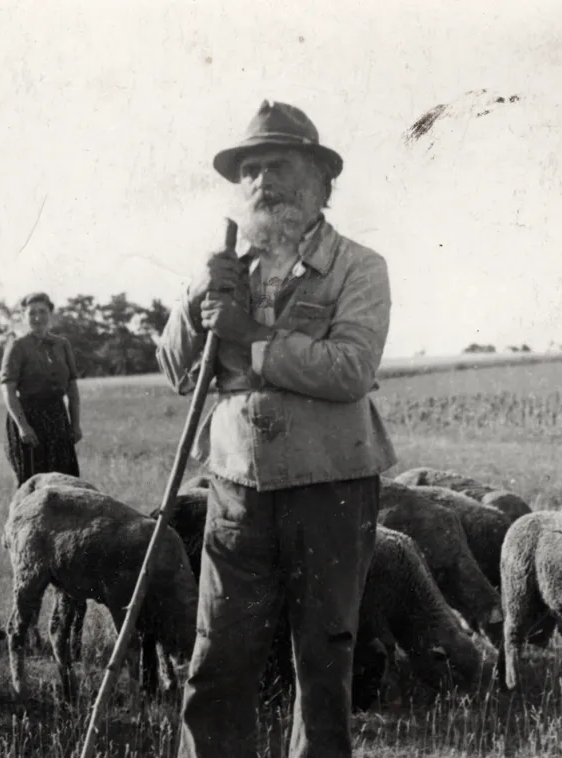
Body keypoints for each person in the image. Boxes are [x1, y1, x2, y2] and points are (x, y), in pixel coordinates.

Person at [155, 99, 397, 758]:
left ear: (320, 180)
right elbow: (179, 373)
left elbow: (349, 369)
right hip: (235, 486)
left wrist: (250, 340)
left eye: (278, 164)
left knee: (322, 661)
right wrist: (193, 302)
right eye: (250, 169)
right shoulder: (228, 270)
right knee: (218, 655)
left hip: (331, 484)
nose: (262, 181)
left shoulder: (358, 267)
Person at [0, 291, 83, 487]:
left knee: (65, 481)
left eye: (43, 312)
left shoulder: (62, 345)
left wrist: (76, 424)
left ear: (50, 314)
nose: (38, 318)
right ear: (23, 316)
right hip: (29, 419)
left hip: (57, 418)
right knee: (32, 483)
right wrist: (23, 426)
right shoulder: (17, 346)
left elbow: (72, 388)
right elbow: (8, 390)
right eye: (32, 313)